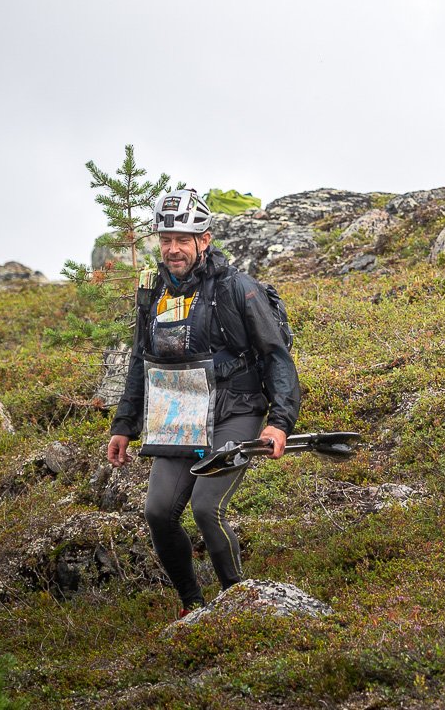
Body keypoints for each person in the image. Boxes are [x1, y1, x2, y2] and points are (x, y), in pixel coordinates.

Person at [106, 188, 300, 614]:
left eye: (183, 240)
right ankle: (193, 607)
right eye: (165, 240)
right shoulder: (152, 293)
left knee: (206, 508)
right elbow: (141, 359)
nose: (173, 249)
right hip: (179, 413)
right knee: (158, 512)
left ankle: (239, 601)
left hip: (237, 409)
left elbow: (276, 356)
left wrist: (280, 421)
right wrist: (124, 424)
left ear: (204, 240)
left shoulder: (237, 289)